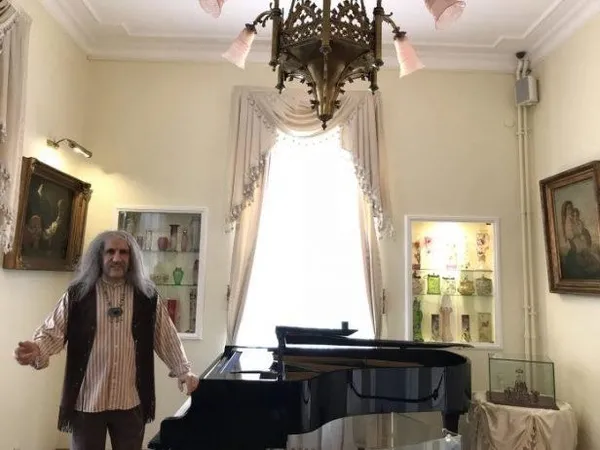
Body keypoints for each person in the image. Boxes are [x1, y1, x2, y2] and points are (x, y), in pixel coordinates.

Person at [13, 230, 199, 450]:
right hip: (88, 401)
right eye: (110, 252)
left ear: (132, 258)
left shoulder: (147, 296)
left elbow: (166, 337)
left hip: (130, 400)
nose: (117, 258)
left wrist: (184, 371)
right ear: (99, 256)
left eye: (123, 252)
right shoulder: (78, 295)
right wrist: (37, 348)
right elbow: (53, 331)